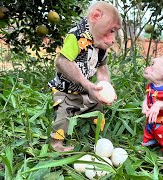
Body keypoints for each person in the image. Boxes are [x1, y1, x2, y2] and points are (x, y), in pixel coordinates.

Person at [48, 1, 122, 152]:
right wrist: (86, 84)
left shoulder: (101, 45)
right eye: (111, 30)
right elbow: (62, 62)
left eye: (115, 32)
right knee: (64, 112)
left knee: (97, 106)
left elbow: (102, 69)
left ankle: (96, 138)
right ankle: (56, 144)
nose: (113, 39)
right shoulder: (76, 36)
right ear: (96, 16)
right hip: (65, 91)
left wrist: (105, 87)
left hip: (84, 91)